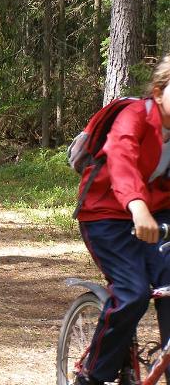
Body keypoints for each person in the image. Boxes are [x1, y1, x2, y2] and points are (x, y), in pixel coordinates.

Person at [74, 55, 170, 384]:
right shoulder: (134, 116)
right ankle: (93, 375)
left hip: (157, 215)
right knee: (133, 293)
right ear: (159, 92)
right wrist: (137, 205)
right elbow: (121, 157)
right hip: (106, 213)